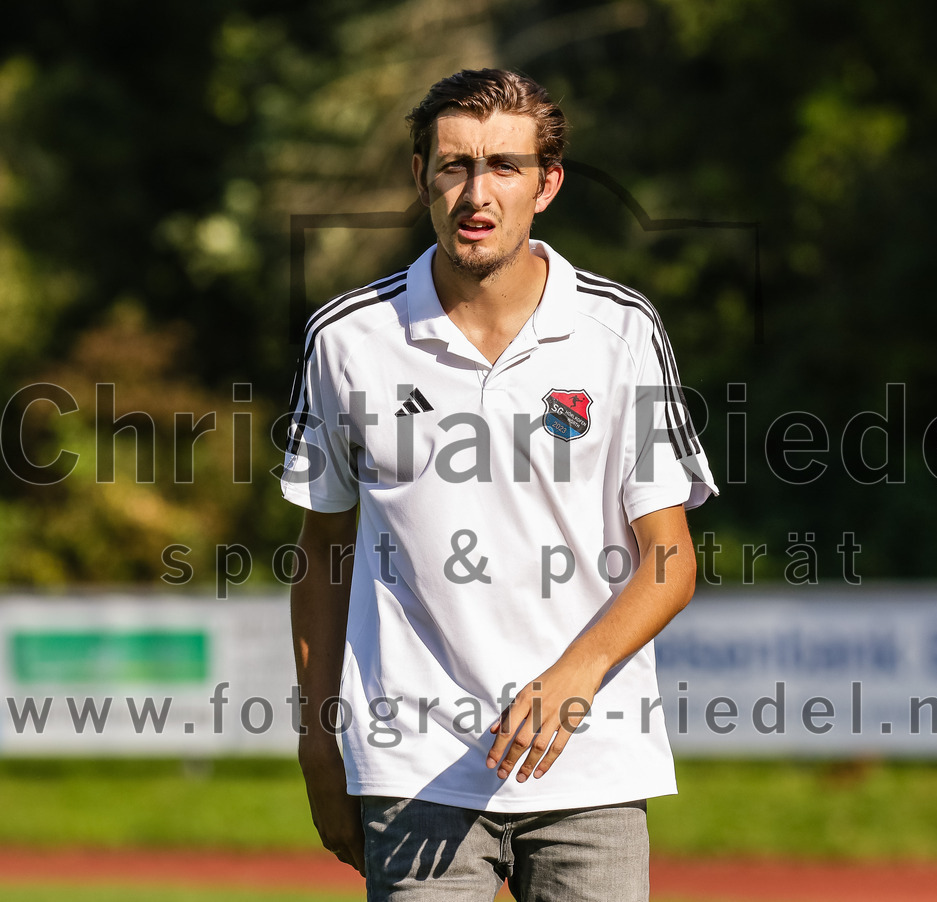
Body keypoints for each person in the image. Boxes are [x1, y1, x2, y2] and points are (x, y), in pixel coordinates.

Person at [282, 67, 717, 901]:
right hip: (414, 772)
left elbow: (669, 558)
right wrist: (317, 743)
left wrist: (574, 675)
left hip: (591, 767)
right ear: (421, 177)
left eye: (505, 166)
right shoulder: (346, 339)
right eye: (453, 165)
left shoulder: (620, 331)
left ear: (546, 184)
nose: (476, 192)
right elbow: (322, 554)